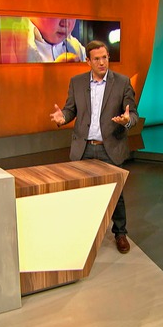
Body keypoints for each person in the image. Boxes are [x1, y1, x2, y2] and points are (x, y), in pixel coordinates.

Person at [50, 40, 138, 254]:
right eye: (97, 59)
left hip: (110, 147)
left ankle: (120, 233)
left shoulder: (122, 82)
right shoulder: (77, 82)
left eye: (105, 57)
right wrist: (63, 117)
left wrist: (127, 120)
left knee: (116, 193)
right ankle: (84, 233)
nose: (102, 62)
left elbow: (133, 115)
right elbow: (70, 110)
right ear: (88, 61)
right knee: (81, 194)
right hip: (84, 148)